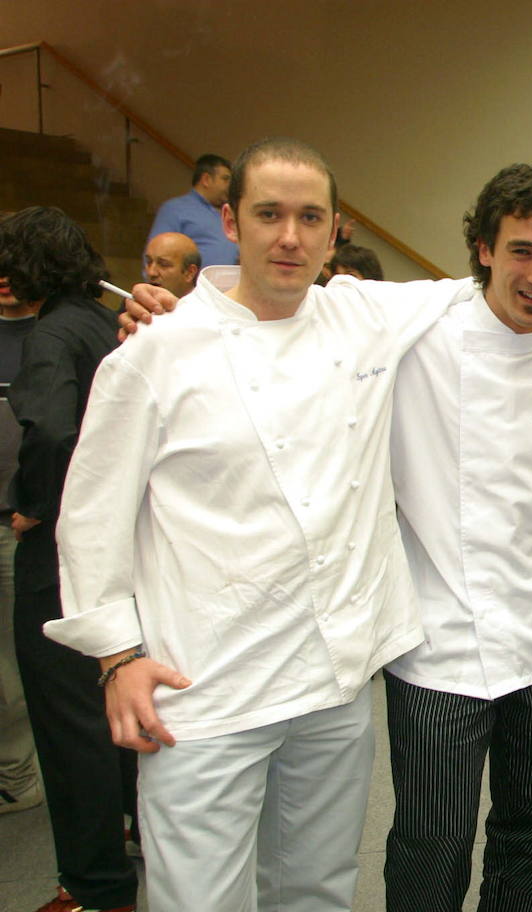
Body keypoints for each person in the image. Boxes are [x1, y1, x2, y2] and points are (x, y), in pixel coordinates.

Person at [46, 137, 475, 911]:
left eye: (310, 217)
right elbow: (89, 515)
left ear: (335, 227)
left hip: (331, 679)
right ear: (230, 222)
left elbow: (490, 290)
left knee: (315, 889)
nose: (290, 236)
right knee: (199, 901)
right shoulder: (155, 352)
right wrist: (116, 656)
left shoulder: (361, 313)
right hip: (206, 686)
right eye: (268, 214)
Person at [384, 163, 532, 911]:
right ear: (482, 248)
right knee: (431, 842)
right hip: (440, 649)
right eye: (521, 251)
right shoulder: (420, 332)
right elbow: (288, 304)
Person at [0, 207, 136, 912]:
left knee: (66, 724)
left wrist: (34, 502)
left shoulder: (51, 333)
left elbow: (51, 431)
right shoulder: (98, 322)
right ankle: (129, 849)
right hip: (116, 544)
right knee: (110, 712)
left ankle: (92, 886)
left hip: (58, 553)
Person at [0, 245, 44, 820]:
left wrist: (37, 498)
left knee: (13, 668)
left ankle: (17, 775)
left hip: (19, 524)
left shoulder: (57, 335)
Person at [146, 153, 238, 266]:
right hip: (193, 283)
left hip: (227, 282)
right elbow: (155, 254)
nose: (230, 185)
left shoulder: (228, 214)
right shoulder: (175, 209)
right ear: (206, 179)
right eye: (225, 179)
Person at [142, 231, 201, 297]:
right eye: (149, 262)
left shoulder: (205, 306)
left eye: (163, 264)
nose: (151, 273)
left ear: (189, 273)